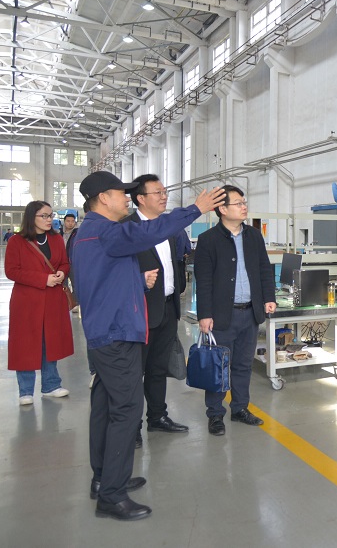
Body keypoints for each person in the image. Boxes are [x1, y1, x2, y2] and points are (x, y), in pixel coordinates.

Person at [69, 171, 224, 521]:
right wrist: (195, 209)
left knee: (105, 405)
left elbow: (100, 279)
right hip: (116, 334)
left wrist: (137, 279)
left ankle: (103, 479)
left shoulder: (89, 233)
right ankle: (112, 495)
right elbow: (148, 231)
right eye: (120, 193)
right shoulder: (105, 231)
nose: (126, 197)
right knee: (126, 410)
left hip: (105, 330)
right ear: (103, 198)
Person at [193, 185, 277, 436]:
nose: (244, 207)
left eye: (244, 202)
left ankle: (240, 408)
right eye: (238, 203)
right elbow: (203, 280)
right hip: (222, 315)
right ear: (222, 208)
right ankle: (215, 414)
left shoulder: (254, 236)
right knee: (218, 366)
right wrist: (204, 314)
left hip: (249, 313)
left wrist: (268, 297)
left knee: (243, 365)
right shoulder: (208, 240)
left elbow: (264, 269)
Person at [126, 175, 192, 440]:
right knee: (134, 372)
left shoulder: (167, 228)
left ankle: (157, 416)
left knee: (157, 368)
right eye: (158, 192)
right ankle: (131, 427)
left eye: (165, 192)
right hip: (140, 310)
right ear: (141, 198)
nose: (164, 196)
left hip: (167, 308)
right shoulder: (127, 228)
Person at [4, 200, 73, 406]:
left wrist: (62, 272)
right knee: (25, 344)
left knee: (50, 341)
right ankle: (25, 390)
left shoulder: (56, 239)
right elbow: (12, 271)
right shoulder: (16, 241)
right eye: (44, 216)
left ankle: (51, 385)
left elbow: (65, 263)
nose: (49, 219)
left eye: (51, 215)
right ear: (31, 217)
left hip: (52, 299)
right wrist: (43, 279)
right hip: (27, 301)